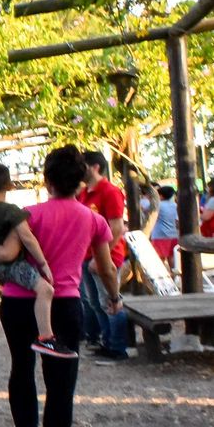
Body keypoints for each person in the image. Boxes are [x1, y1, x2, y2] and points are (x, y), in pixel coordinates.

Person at [0, 146, 121, 427]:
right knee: (62, 377)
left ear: (47, 180)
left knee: (21, 367)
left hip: (18, 303)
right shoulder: (93, 220)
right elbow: (106, 268)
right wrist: (114, 296)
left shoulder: (28, 215)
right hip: (65, 303)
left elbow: (7, 255)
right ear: (80, 181)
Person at [0, 163, 73, 358]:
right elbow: (27, 238)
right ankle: (46, 337)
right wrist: (43, 263)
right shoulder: (11, 211)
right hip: (12, 267)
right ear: (9, 186)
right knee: (46, 289)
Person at [76, 150, 130, 363]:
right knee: (94, 302)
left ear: (95, 167)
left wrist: (102, 259)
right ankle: (106, 342)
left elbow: (116, 228)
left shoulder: (110, 191)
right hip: (87, 256)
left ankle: (118, 348)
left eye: (83, 165)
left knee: (109, 299)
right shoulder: (83, 193)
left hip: (106, 256)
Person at [149, 185, 179, 269]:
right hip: (173, 235)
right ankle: (175, 278)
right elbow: (177, 221)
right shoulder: (175, 205)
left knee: (159, 259)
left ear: (161, 195)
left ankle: (162, 279)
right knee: (172, 257)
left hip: (159, 236)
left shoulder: (158, 206)